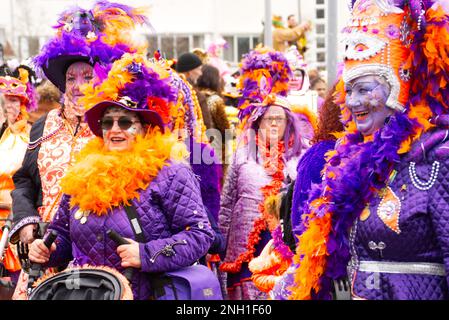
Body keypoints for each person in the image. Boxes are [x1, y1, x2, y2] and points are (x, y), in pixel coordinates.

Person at [283, 0, 449, 300]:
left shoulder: (437, 158)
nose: (353, 102)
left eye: (365, 89)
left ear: (398, 88)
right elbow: (319, 255)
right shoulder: (349, 161)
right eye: (349, 90)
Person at [27, 53, 215, 300]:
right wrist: (49, 248)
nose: (115, 129)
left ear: (144, 127)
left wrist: (146, 254)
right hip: (88, 293)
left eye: (125, 122)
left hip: (146, 293)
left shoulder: (170, 172)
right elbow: (62, 232)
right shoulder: (82, 171)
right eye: (107, 123)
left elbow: (199, 234)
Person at [9, 1, 149, 299]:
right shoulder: (43, 125)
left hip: (93, 256)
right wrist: (25, 221)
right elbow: (24, 181)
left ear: (102, 78)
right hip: (42, 251)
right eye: (70, 78)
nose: (77, 86)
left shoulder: (115, 126)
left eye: (87, 77)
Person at [218, 94, 305, 300]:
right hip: (245, 243)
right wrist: (221, 241)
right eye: (269, 119)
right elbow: (227, 203)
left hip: (285, 242)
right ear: (259, 123)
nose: (274, 123)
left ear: (288, 123)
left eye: (279, 119)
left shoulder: (300, 156)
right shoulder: (242, 155)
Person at [0, 63, 38, 283]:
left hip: (15, 223)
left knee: (16, 283)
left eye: (13, 100)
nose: (8, 106)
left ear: (23, 103)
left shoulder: (30, 136)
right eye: (4, 100)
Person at [197, 64, 231, 176]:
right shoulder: (215, 100)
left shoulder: (194, 95)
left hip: (197, 147)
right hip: (214, 149)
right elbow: (225, 129)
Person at [176, 52, 214, 131]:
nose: (201, 73)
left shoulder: (171, 90)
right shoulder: (196, 96)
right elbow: (207, 125)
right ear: (189, 72)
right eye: (199, 69)